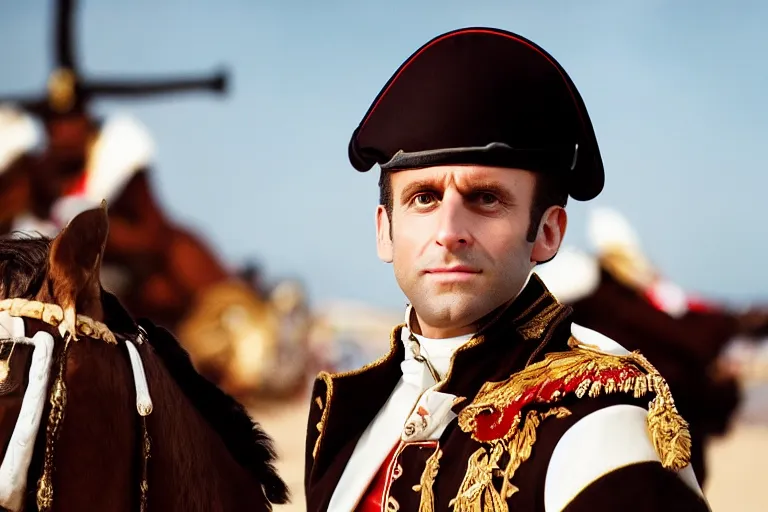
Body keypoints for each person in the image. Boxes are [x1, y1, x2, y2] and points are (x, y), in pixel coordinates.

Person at [303, 27, 710, 511]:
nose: (449, 230)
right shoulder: (351, 414)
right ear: (384, 231)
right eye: (424, 198)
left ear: (547, 233)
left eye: (485, 198)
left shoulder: (599, 422)